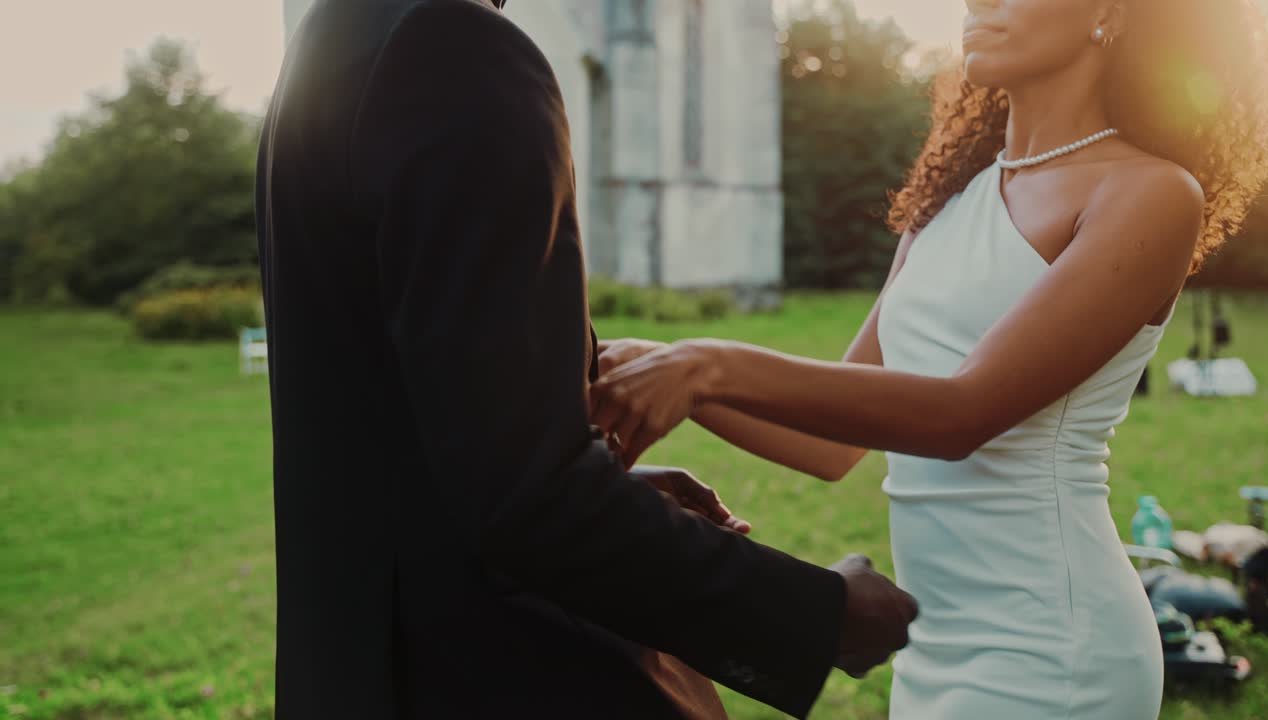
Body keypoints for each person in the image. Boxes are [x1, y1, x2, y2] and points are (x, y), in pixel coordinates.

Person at [590, 0, 1268, 717]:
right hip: (932, 642)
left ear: (1107, 11)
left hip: (1053, 643)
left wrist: (707, 365)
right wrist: (663, 370)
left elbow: (961, 414)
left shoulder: (1149, 194)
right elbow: (829, 442)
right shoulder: (949, 202)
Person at [254, 0, 918, 718]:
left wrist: (584, 465)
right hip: (491, 674)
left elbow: (418, 425)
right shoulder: (456, 50)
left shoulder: (332, 39)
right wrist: (823, 613)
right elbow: (529, 501)